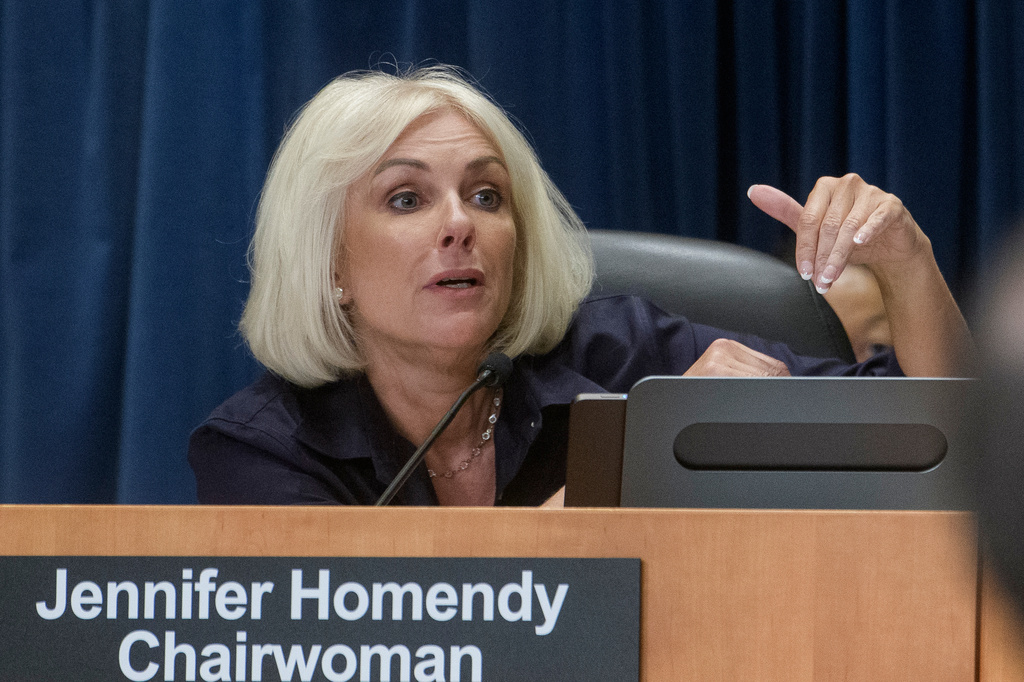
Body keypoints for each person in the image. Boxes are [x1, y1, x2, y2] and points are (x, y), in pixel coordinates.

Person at [188, 65, 973, 507]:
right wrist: (639, 467)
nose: (459, 224)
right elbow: (393, 640)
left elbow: (940, 440)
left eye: (486, 195)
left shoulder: (622, 350)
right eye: (407, 198)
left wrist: (907, 259)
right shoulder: (263, 450)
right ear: (330, 265)